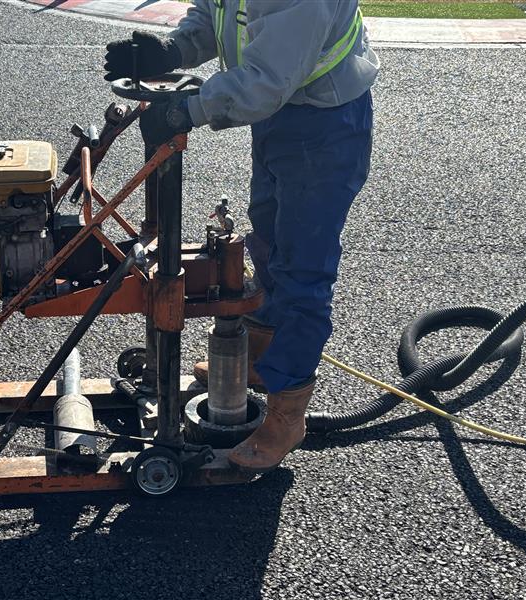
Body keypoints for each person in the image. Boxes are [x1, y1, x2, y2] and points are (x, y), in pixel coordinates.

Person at [104, 0, 379, 472]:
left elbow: (268, 78)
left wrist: (188, 110)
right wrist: (174, 49)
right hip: (283, 110)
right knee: (268, 242)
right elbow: (218, 10)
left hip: (324, 122)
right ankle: (258, 359)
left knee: (301, 270)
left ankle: (287, 414)